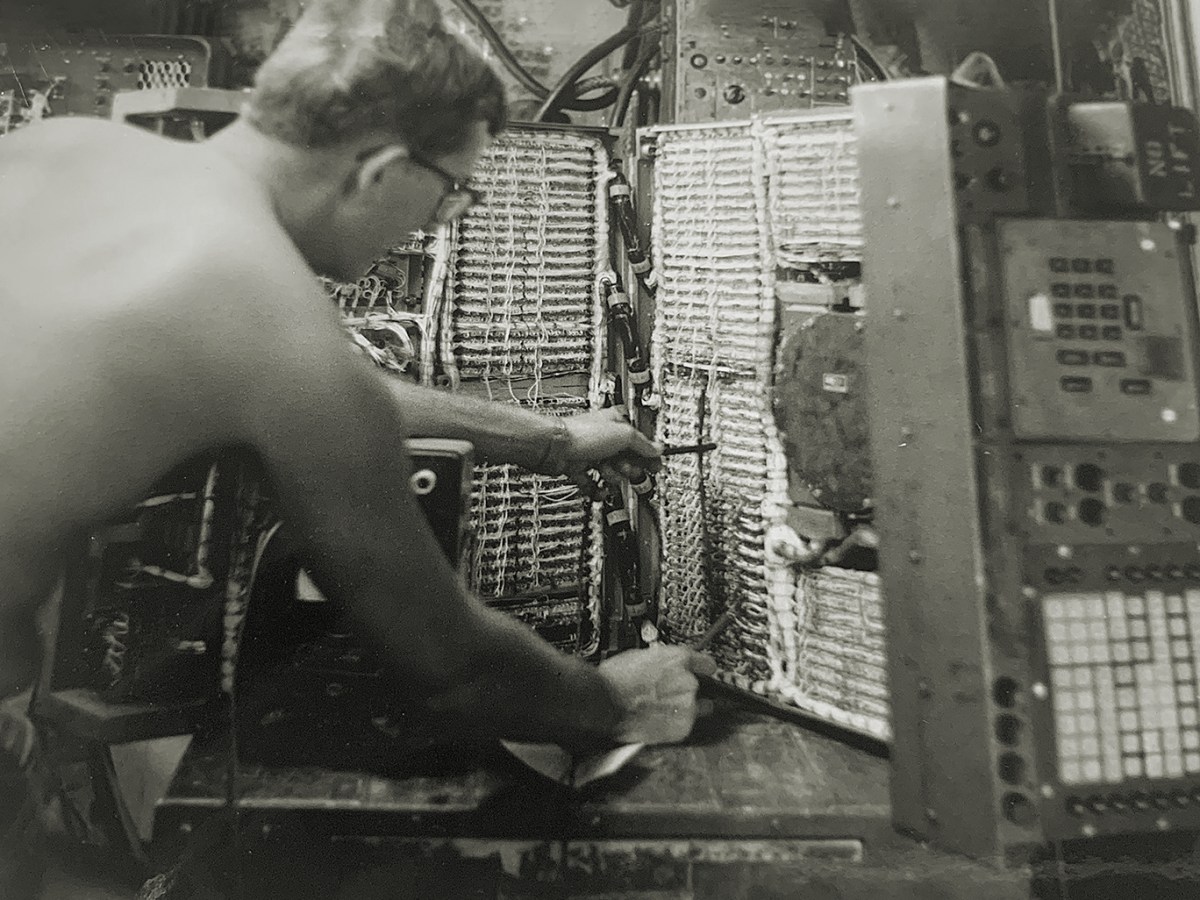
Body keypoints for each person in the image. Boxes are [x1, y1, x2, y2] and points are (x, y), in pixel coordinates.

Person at [0, 0, 714, 873]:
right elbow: (453, 663)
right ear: (379, 169)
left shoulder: (62, 150)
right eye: (453, 192)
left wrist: (546, 440)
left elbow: (267, 381)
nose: (441, 223)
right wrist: (613, 700)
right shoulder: (272, 322)